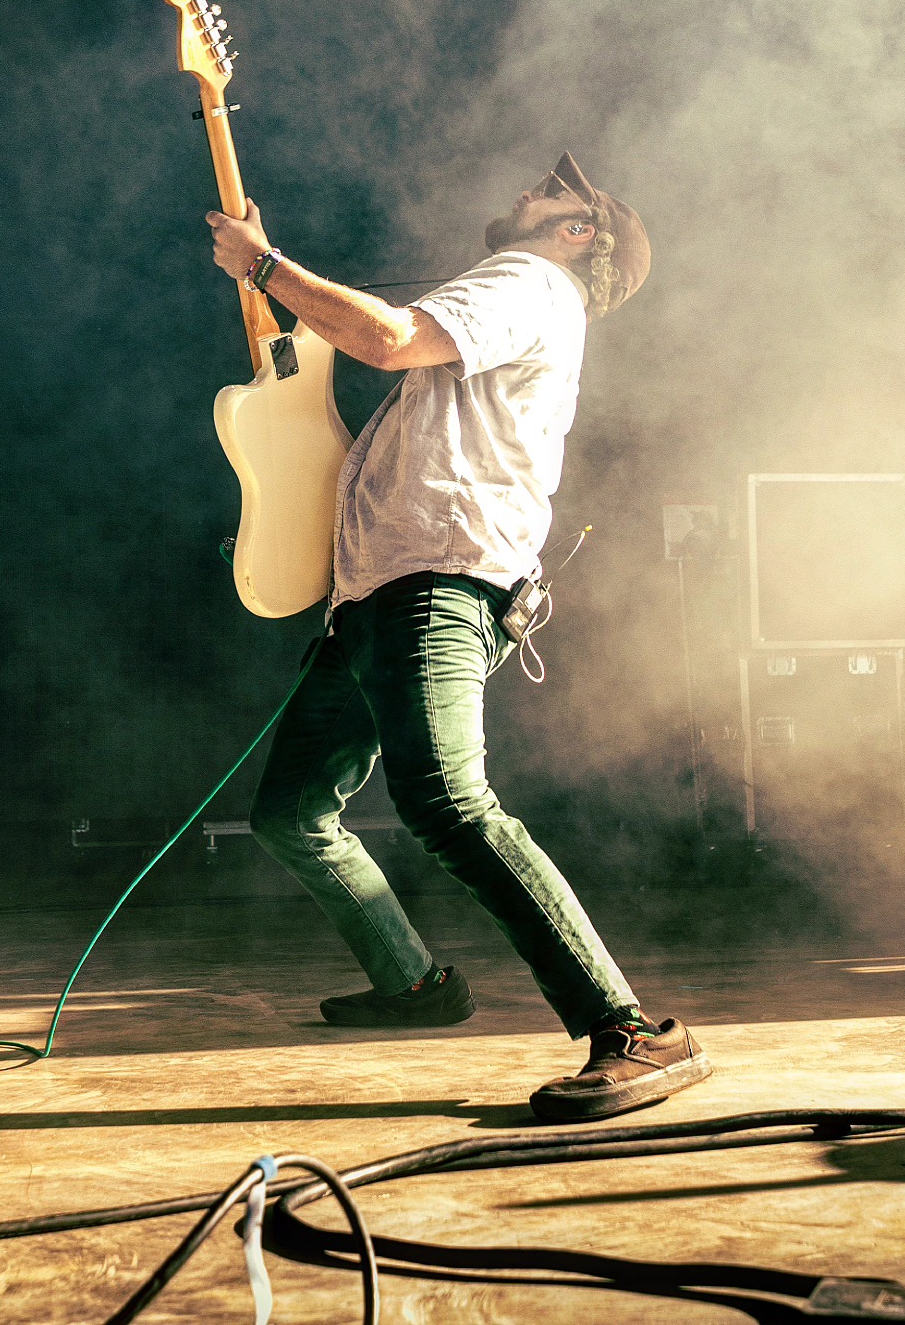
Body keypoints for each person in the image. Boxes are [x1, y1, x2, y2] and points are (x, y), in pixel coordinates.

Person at [205, 153, 712, 1123]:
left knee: (446, 799)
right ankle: (413, 982)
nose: (529, 192)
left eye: (553, 195)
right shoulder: (527, 288)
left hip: (433, 586)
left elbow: (388, 339)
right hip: (376, 596)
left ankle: (633, 1030)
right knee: (294, 812)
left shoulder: (527, 281)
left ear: (579, 234)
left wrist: (267, 266)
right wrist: (267, 276)